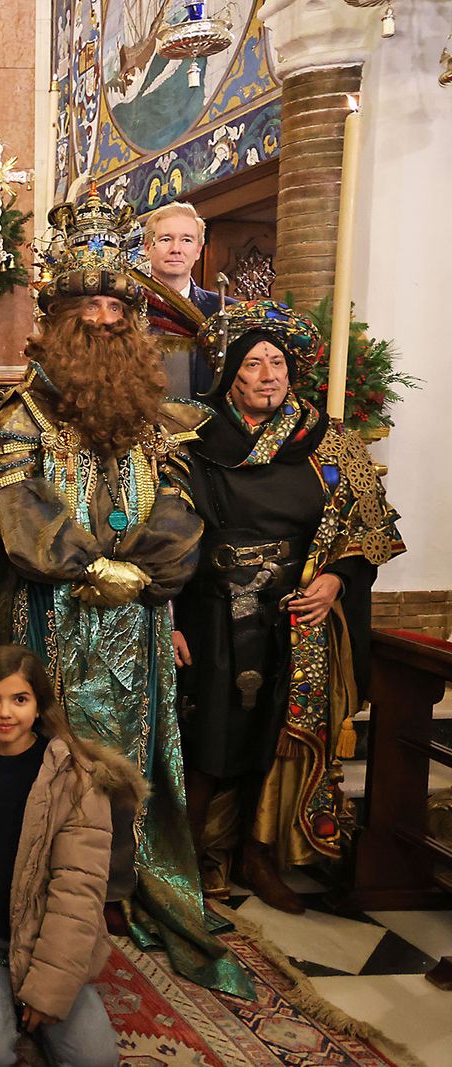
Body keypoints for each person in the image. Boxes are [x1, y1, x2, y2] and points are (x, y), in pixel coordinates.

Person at [0, 193, 249, 997]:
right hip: (53, 616)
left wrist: (143, 570)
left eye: (114, 304)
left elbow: (179, 508)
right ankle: (45, 883)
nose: (102, 319)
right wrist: (86, 566)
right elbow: (20, 510)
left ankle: (118, 886)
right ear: (60, 315)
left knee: (130, 758)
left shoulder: (153, 420)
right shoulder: (20, 411)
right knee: (52, 755)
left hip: (136, 623)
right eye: (87, 304)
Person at [176, 300, 403, 911]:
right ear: (231, 374)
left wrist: (338, 581)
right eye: (254, 363)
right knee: (210, 732)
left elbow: (370, 527)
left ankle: (259, 852)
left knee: (275, 733)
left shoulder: (329, 441)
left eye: (277, 362)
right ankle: (197, 853)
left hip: (296, 616)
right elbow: (165, 527)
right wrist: (167, 609)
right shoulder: (193, 439)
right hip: (213, 607)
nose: (269, 374)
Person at [0, 644, 142, 1067]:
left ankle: (28, 1001)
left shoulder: (76, 778)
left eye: (20, 699)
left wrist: (49, 989)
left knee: (95, 1061)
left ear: (39, 704)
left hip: (42, 936)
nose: (5, 712)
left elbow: (77, 892)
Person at [137, 200, 229, 397]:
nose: (176, 249)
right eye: (165, 239)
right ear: (147, 248)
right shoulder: (126, 308)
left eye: (186, 240)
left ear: (198, 250)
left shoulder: (224, 310)